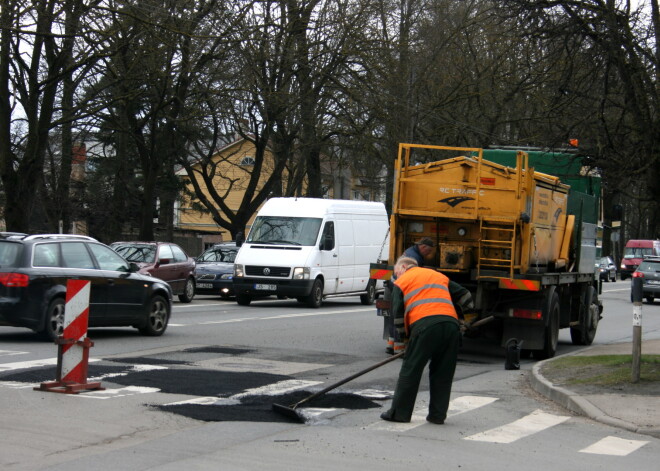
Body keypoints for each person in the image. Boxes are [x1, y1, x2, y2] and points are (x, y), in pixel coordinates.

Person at [380, 256, 473, 424]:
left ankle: (399, 414)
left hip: (425, 327)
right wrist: (465, 321)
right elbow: (465, 296)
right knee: (443, 373)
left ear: (403, 267)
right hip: (451, 327)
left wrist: (405, 342)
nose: (395, 276)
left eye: (396, 272)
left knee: (411, 369)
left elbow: (398, 317)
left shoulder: (401, 282)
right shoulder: (437, 276)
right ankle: (437, 416)